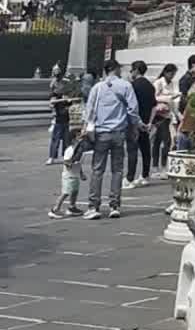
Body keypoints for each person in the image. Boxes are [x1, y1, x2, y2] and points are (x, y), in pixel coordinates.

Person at [83, 59, 142, 221]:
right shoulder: (125, 86)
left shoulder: (97, 87)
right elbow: (133, 109)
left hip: (101, 132)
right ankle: (114, 205)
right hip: (119, 132)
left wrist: (87, 128)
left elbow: (89, 111)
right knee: (117, 170)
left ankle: (93, 206)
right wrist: (135, 126)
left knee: (97, 170)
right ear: (115, 69)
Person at [126, 61, 156, 187]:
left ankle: (130, 178)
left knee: (132, 150)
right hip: (146, 120)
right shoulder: (150, 86)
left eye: (131, 70)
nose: (130, 73)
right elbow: (154, 106)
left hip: (135, 121)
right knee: (145, 149)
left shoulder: (132, 86)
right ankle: (145, 175)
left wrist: (136, 121)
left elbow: (132, 106)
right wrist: (149, 122)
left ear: (136, 70)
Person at [49, 133, 89, 219]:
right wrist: (71, 164)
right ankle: (55, 209)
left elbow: (79, 164)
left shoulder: (80, 151)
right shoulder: (70, 150)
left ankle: (72, 207)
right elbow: (66, 162)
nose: (82, 139)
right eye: (79, 137)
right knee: (65, 193)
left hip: (75, 175)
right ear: (73, 140)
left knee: (74, 192)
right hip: (68, 175)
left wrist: (81, 174)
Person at [151, 64, 179, 173]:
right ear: (166, 72)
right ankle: (158, 166)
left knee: (161, 141)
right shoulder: (158, 83)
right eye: (171, 73)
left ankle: (160, 165)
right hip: (158, 115)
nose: (172, 76)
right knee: (164, 140)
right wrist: (168, 98)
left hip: (167, 114)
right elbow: (153, 97)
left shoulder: (171, 84)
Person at [47, 65, 70, 164]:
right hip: (58, 116)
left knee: (66, 138)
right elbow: (51, 99)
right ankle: (52, 156)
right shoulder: (53, 86)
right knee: (55, 138)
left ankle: (65, 156)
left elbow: (72, 99)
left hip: (67, 115)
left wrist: (68, 99)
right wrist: (53, 102)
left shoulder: (67, 83)